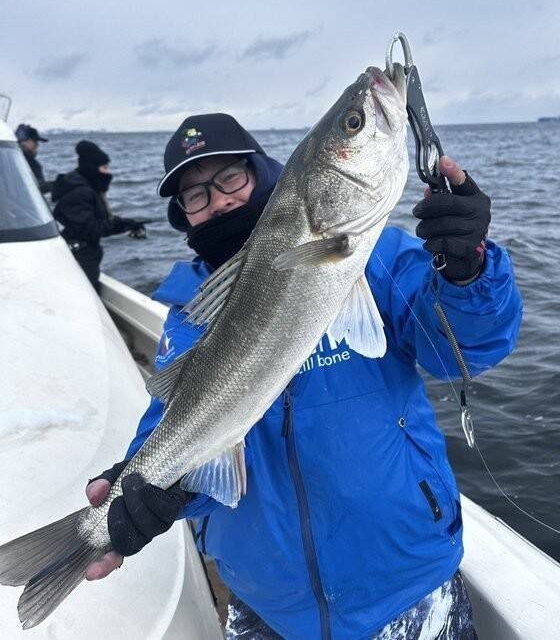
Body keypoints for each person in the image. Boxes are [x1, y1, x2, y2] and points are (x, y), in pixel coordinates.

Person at [85, 112, 523, 639]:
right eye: (195, 195)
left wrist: (467, 272)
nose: (219, 201)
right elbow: (176, 425)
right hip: (266, 601)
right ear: (183, 215)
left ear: (267, 172)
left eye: (230, 178)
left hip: (403, 580)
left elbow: (465, 352)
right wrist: (148, 487)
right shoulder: (190, 314)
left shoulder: (377, 255)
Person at [51, 140, 146, 291]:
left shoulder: (84, 187)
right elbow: (91, 229)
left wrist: (127, 223)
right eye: (104, 168)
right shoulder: (80, 192)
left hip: (81, 254)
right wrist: (123, 225)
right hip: (79, 257)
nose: (107, 172)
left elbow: (97, 222)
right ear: (92, 168)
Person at [15, 123, 53, 193]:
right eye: (35, 141)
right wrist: (56, 184)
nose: (37, 145)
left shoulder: (10, 160)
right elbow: (34, 188)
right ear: (24, 141)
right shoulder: (32, 164)